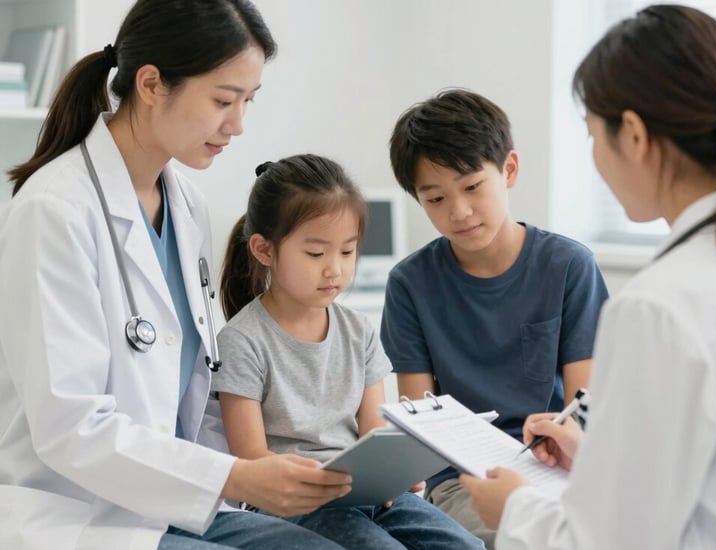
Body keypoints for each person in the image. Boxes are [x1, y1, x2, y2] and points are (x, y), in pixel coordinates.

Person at [0, 2, 354, 549]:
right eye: (223, 100)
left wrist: (262, 473)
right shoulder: (55, 211)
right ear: (151, 84)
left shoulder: (185, 204)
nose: (237, 125)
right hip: (80, 516)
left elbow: (196, 387)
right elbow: (70, 426)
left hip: (178, 505)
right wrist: (236, 478)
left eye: (248, 101)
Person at [459, 5, 716, 549]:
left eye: (593, 135)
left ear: (633, 134)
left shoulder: (660, 305)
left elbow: (611, 542)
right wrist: (601, 460)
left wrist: (514, 509)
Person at [211, 154, 486, 550]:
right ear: (264, 250)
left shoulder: (358, 330)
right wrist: (318, 481)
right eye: (316, 254)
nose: (334, 270)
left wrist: (393, 471)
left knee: (467, 546)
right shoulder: (242, 340)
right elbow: (250, 456)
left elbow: (373, 430)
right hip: (292, 501)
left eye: (347, 252)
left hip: (366, 490)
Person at [381, 88, 609, 546]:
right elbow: (422, 421)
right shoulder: (410, 284)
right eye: (435, 199)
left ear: (509, 169)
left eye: (472, 187)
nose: (459, 212)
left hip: (555, 465)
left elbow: (585, 411)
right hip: (463, 480)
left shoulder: (568, 266)